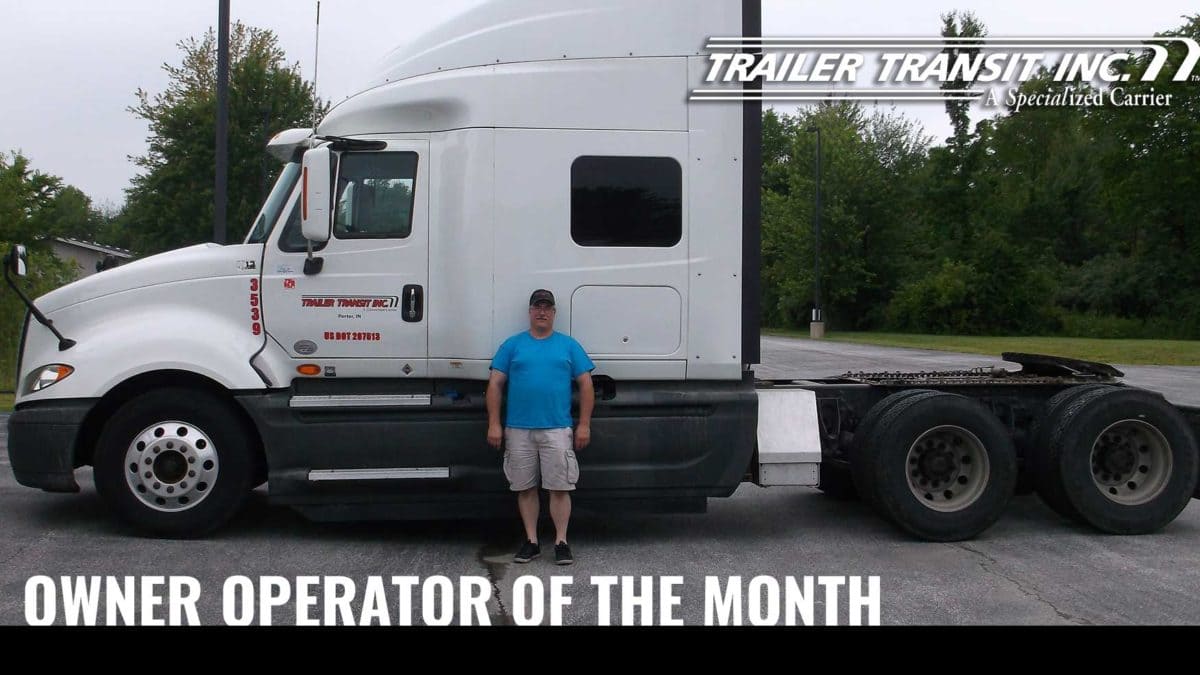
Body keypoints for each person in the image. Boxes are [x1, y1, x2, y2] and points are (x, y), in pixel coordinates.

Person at [486, 289, 595, 565]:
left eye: (547, 307)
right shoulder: (512, 346)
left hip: (556, 429)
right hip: (518, 430)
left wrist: (584, 425)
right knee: (525, 488)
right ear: (530, 312)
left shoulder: (569, 346)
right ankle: (531, 541)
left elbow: (586, 385)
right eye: (537, 307)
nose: (542, 312)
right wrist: (494, 424)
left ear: (554, 313)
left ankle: (561, 541)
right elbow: (495, 385)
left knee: (560, 488)